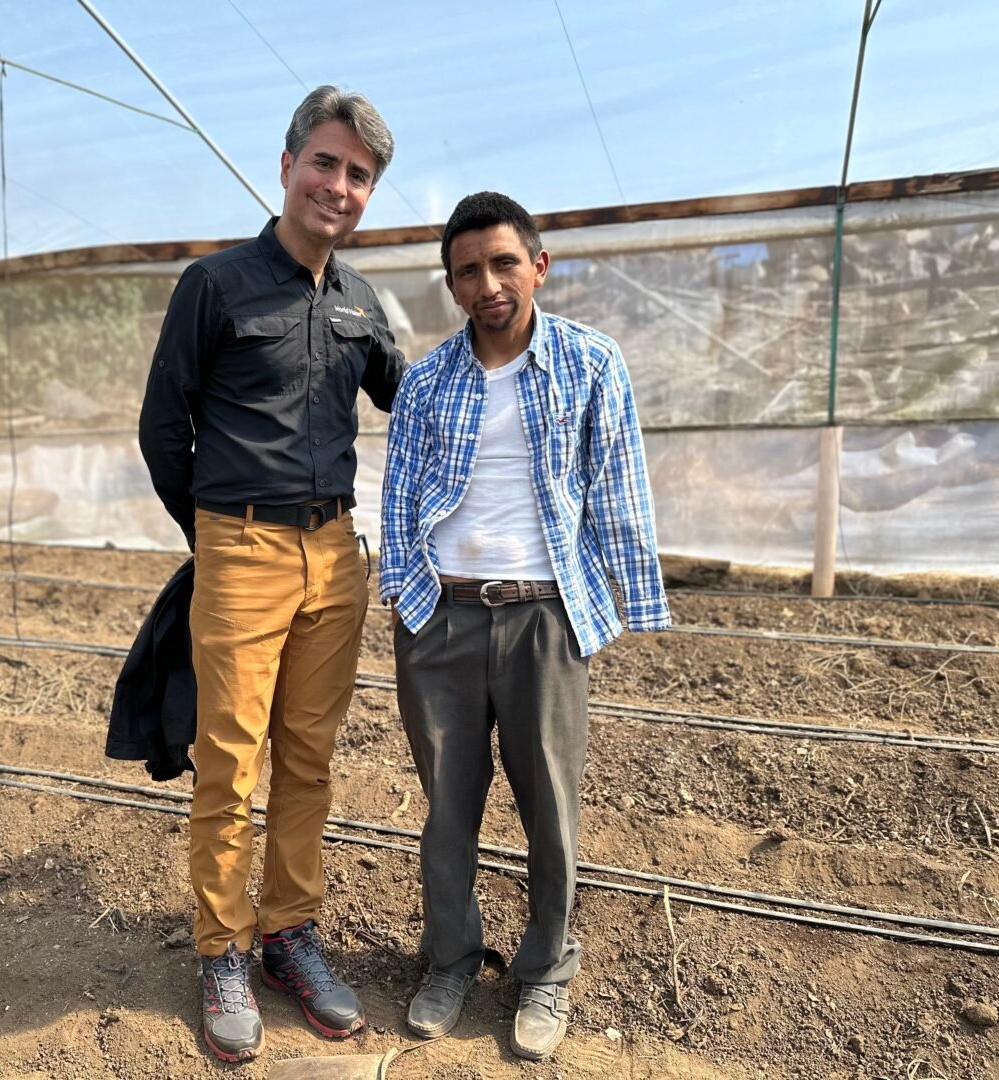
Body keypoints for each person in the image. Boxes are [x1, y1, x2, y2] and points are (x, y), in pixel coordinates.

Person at [138, 85, 404, 1064]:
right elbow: (163, 428)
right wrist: (215, 533)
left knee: (308, 758)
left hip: (337, 555)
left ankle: (291, 933)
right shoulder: (215, 285)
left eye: (360, 175)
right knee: (231, 760)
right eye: (326, 163)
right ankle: (220, 950)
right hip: (240, 544)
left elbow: (408, 404)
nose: (339, 186)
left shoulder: (364, 302)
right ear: (286, 164)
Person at [379, 192, 670, 1061]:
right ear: (452, 285)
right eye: (468, 270)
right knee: (447, 808)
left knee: (550, 804)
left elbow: (617, 486)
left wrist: (628, 605)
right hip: (445, 616)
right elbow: (397, 497)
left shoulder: (589, 362)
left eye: (504, 262)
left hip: (544, 616)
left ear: (538, 266)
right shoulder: (429, 379)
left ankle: (546, 967)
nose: (488, 283)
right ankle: (452, 957)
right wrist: (408, 595)